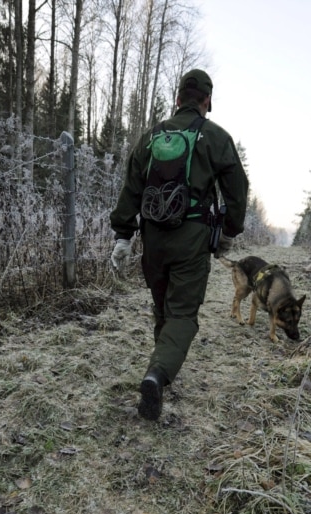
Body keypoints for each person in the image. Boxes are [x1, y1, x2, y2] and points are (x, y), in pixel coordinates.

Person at [109, 69, 248, 420]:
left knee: (163, 308)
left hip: (153, 239)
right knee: (182, 313)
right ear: (207, 101)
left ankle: (159, 368)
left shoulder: (151, 136)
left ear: (177, 98)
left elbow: (131, 189)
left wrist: (123, 236)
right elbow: (237, 190)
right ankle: (157, 375)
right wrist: (229, 231)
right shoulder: (215, 137)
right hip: (193, 238)